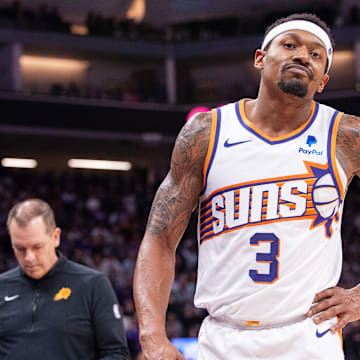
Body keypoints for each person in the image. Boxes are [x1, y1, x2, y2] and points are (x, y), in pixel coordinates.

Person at [134, 12, 360, 360]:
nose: (303, 56)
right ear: (260, 59)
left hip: (308, 336)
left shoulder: (346, 136)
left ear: (323, 80)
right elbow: (160, 238)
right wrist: (151, 336)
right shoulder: (206, 133)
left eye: (316, 54)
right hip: (224, 338)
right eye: (290, 45)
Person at [0, 198, 129, 360]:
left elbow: (116, 353)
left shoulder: (93, 285)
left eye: (37, 247)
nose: (29, 257)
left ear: (56, 237)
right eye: (20, 249)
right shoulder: (2, 287)